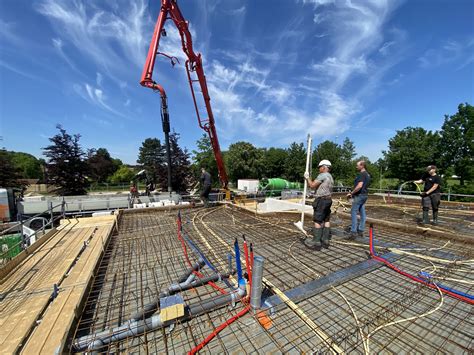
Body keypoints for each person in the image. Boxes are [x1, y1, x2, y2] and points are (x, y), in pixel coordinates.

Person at [303, 159, 334, 250]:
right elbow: (324, 189)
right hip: (328, 200)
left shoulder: (322, 175)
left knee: (317, 220)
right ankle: (325, 239)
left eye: (320, 167)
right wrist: (314, 193)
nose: (319, 169)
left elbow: (312, 185)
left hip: (321, 201)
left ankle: (316, 241)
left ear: (324, 167)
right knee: (326, 219)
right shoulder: (330, 176)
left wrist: (307, 177)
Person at [346, 161, 371, 239]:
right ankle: (361, 230)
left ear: (362, 166)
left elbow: (359, 186)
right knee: (362, 213)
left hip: (359, 196)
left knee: (353, 212)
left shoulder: (361, 174)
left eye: (357, 165)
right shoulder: (367, 174)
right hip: (364, 195)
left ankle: (353, 232)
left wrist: (351, 193)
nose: (356, 167)